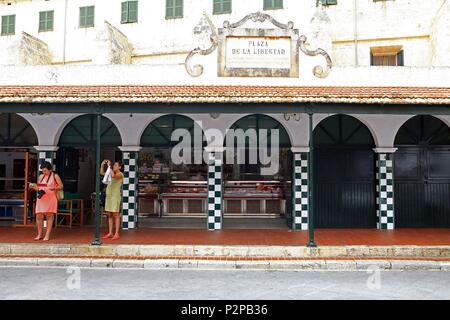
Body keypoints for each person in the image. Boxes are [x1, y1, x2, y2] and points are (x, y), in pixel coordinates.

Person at [30, 161, 63, 241]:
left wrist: (54, 188)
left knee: (49, 216)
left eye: (45, 170)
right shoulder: (41, 176)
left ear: (50, 169)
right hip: (41, 198)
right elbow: (39, 186)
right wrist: (34, 187)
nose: (43, 172)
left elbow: (61, 186)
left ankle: (47, 235)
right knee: (38, 215)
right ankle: (39, 234)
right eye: (42, 170)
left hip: (51, 198)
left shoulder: (55, 176)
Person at [100, 159, 124, 240]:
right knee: (109, 214)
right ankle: (110, 232)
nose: (114, 166)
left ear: (120, 167)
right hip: (109, 196)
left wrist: (109, 166)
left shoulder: (120, 174)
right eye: (114, 165)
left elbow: (114, 176)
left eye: (116, 165)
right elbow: (102, 173)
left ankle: (116, 233)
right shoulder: (110, 172)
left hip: (115, 196)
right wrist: (102, 165)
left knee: (116, 215)